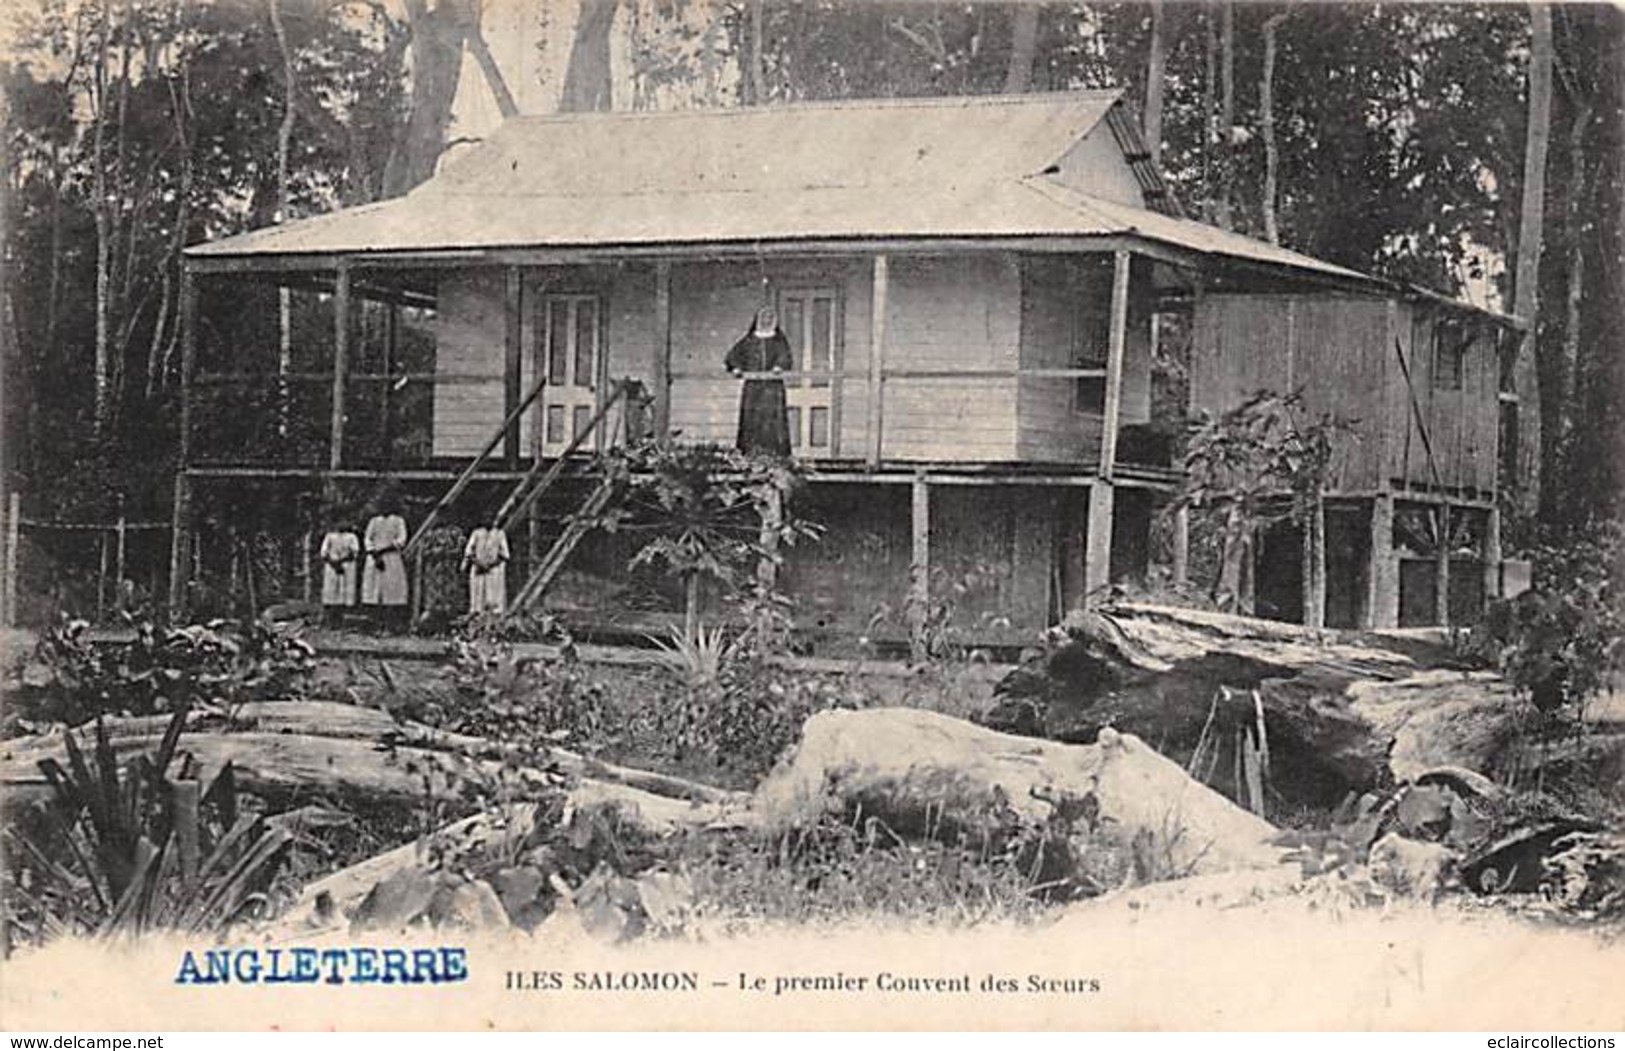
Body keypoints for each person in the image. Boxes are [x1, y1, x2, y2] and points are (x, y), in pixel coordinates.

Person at [725, 304, 793, 457]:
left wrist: (779, 366)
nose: (766, 321)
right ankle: (750, 453)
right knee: (752, 420)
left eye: (770, 318)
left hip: (772, 387)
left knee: (772, 420)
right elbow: (733, 357)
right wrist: (736, 368)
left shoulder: (778, 341)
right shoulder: (749, 340)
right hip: (753, 387)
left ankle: (775, 455)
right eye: (764, 318)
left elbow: (785, 356)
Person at [362, 501, 409, 630]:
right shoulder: (374, 521)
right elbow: (367, 539)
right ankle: (375, 624)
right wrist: (374, 553)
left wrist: (383, 550)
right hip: (374, 558)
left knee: (392, 590)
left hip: (391, 557)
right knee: (374, 590)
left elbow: (401, 539)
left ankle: (391, 624)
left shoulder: (398, 521)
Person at [317, 515, 360, 628]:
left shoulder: (352, 537)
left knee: (344, 591)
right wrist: (334, 563)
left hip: (347, 566)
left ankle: (342, 621)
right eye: (339, 522)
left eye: (344, 522)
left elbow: (354, 552)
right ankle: (330, 621)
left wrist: (341, 561)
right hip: (332, 566)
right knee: (331, 592)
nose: (342, 525)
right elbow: (324, 552)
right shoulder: (330, 536)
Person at [463, 520, 510, 615]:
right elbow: (468, 551)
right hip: (478, 568)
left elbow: (505, 554)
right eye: (487, 518)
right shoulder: (477, 533)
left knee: (494, 597)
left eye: (491, 518)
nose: (489, 521)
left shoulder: (499, 534)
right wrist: (479, 563)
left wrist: (491, 564)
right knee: (477, 597)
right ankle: (476, 615)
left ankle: (494, 617)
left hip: (494, 569)